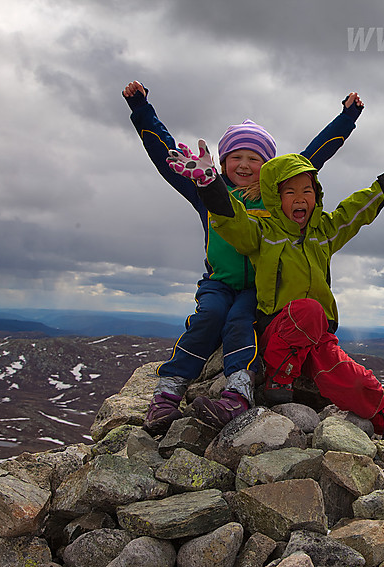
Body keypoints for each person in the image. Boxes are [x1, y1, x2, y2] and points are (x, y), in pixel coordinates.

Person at [123, 81, 364, 435]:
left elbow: (316, 154)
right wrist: (141, 109)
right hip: (219, 282)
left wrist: (347, 117)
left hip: (261, 287)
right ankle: (166, 394)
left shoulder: (275, 196)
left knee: (239, 320)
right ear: (222, 162)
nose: (245, 164)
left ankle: (238, 392)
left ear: (268, 166)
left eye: (255, 158)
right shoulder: (205, 187)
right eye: (236, 157)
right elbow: (165, 154)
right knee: (208, 317)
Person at [167, 141, 384, 443]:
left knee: (352, 376)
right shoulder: (263, 232)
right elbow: (232, 221)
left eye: (307, 191)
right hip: (278, 328)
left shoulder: (324, 232)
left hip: (317, 334)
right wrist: (210, 184)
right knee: (309, 309)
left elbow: (356, 211)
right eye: (290, 192)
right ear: (275, 199)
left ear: (316, 196)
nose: (300, 199)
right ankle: (277, 381)